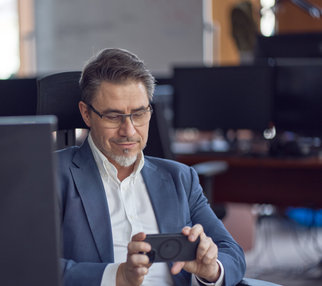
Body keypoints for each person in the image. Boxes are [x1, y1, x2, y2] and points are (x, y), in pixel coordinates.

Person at [57, 48, 246, 286]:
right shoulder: (53, 174)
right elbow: (29, 265)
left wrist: (211, 270)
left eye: (138, 114)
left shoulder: (179, 177)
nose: (129, 130)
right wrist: (118, 277)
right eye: (114, 117)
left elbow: (232, 253)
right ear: (86, 113)